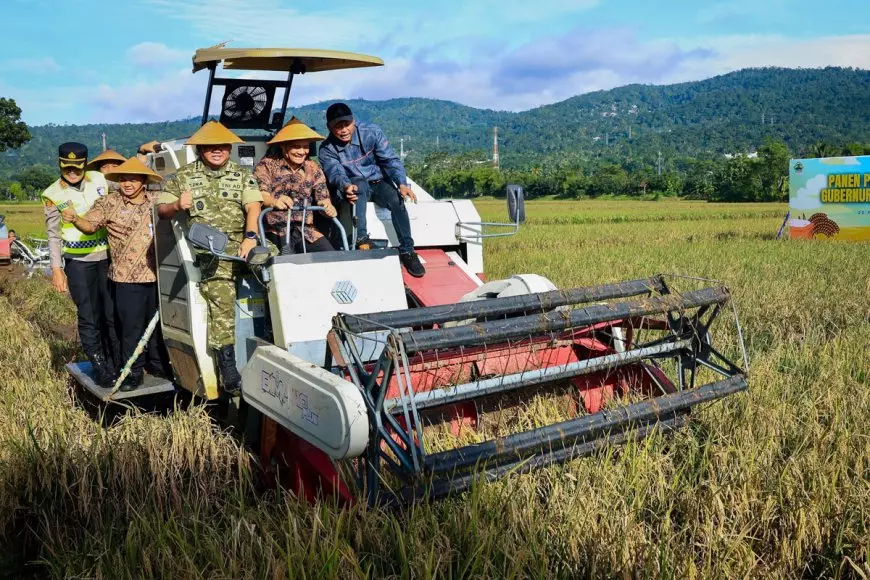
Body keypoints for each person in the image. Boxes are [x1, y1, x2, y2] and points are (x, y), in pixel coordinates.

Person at [156, 121, 263, 396]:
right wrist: (178, 205)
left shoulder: (242, 174)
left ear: (228, 148)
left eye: (221, 146)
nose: (217, 151)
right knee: (221, 289)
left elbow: (253, 205)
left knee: (277, 265)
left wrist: (251, 237)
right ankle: (228, 366)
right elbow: (162, 210)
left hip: (242, 242)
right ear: (201, 149)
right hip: (209, 249)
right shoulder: (183, 176)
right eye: (210, 147)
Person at [61, 158, 172, 391]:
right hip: (126, 278)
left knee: (157, 327)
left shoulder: (156, 200)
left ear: (143, 181)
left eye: (133, 178)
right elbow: (90, 225)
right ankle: (133, 371)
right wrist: (76, 219)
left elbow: (173, 210)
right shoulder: (109, 202)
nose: (127, 183)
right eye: (123, 179)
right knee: (130, 328)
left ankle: (156, 364)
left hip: (157, 276)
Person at [42, 142, 120, 388]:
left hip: (107, 258)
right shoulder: (52, 194)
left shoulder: (100, 179)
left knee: (111, 313)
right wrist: (57, 270)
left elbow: (127, 187)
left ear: (85, 164)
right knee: (89, 315)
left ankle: (115, 361)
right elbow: (53, 235)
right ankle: (98, 364)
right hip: (78, 263)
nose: (73, 172)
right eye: (68, 168)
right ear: (60, 164)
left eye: (77, 167)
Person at [318, 102, 425, 277]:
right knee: (358, 183)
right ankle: (361, 239)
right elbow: (335, 173)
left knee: (396, 199)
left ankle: (407, 250)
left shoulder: (372, 132)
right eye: (338, 126)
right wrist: (346, 186)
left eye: (347, 124)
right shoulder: (326, 149)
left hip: (378, 182)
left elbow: (390, 160)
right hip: (355, 186)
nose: (344, 130)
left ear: (353, 121)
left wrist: (402, 183)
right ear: (329, 127)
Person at [254, 117, 338, 253]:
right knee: (286, 263)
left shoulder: (313, 167)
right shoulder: (266, 166)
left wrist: (328, 207)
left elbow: (323, 198)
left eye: (305, 147)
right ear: (283, 145)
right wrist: (274, 202)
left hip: (307, 230)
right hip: (275, 229)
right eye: (296, 147)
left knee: (330, 257)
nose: (302, 151)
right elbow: (261, 195)